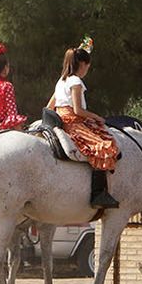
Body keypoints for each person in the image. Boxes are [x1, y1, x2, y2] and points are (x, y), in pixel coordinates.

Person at [49, 38, 120, 209]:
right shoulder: (75, 82)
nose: (87, 69)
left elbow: (49, 106)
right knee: (104, 145)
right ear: (82, 64)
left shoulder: (62, 81)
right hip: (73, 122)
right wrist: (97, 117)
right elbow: (78, 110)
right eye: (87, 66)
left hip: (61, 118)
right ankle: (98, 194)